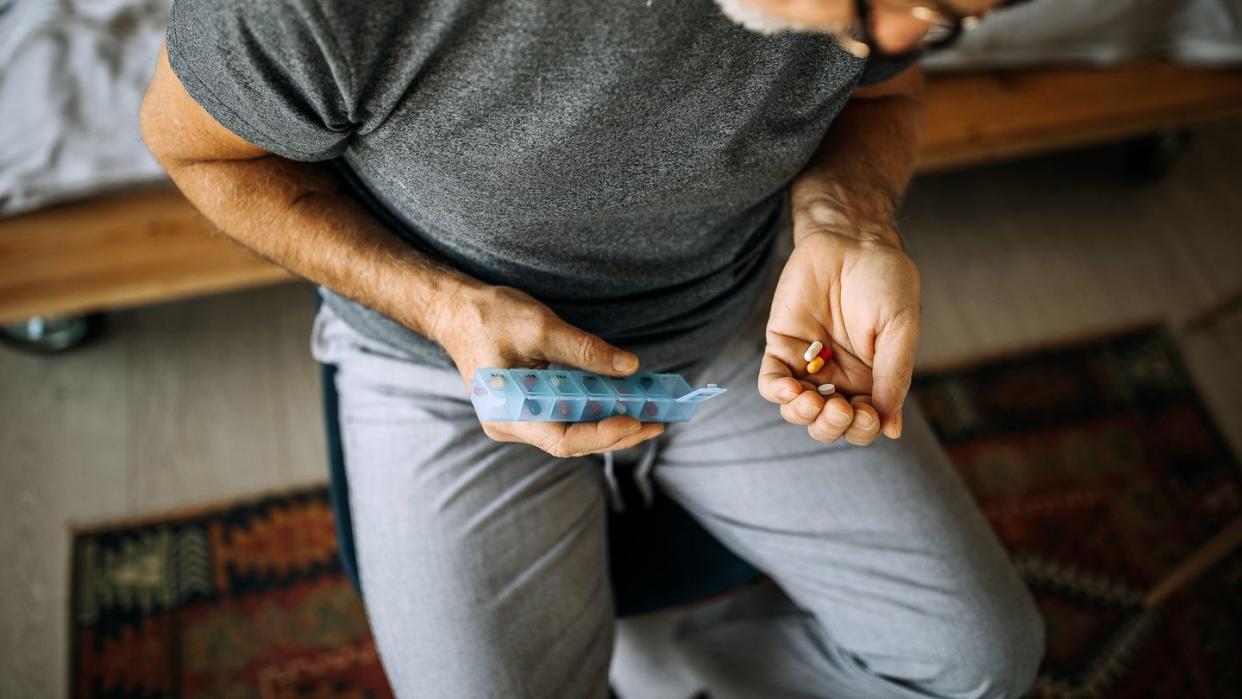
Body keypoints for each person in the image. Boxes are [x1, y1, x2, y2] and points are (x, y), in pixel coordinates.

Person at [141, 0, 1044, 696]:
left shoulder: (887, 19)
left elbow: (884, 92)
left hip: (738, 317)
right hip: (436, 365)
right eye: (872, 2)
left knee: (982, 665)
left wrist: (849, 217)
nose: (890, 37)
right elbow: (200, 153)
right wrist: (444, 307)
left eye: (953, 19)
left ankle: (674, 662)